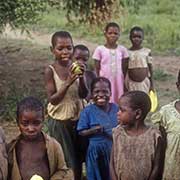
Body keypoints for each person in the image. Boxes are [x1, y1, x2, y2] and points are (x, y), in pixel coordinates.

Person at [44, 31, 88, 180]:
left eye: (69, 48)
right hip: (60, 121)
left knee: (78, 156)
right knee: (65, 159)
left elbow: (83, 94)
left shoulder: (76, 66)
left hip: (78, 119)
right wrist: (68, 82)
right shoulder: (50, 71)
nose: (65, 52)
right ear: (52, 50)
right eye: (60, 48)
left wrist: (81, 79)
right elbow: (53, 100)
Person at [7, 96, 73, 180]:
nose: (31, 129)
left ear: (43, 121)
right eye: (25, 123)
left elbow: (62, 170)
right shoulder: (12, 148)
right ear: (17, 122)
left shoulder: (53, 145)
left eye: (36, 123)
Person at [110, 91, 163, 180]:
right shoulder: (117, 133)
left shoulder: (154, 136)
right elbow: (112, 163)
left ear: (137, 114)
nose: (118, 113)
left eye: (122, 110)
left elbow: (156, 167)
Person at [77, 77, 119, 180]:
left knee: (113, 174)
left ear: (111, 93)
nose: (101, 95)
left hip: (114, 150)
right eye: (96, 92)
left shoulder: (116, 109)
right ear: (91, 94)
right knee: (96, 175)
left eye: (105, 91)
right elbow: (81, 132)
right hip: (95, 152)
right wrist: (95, 130)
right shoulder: (87, 111)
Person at [151, 70, 180, 180]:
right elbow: (161, 145)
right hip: (171, 169)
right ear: (178, 86)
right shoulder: (166, 112)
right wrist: (158, 169)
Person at [92, 22, 129, 104]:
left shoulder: (122, 50)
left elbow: (125, 68)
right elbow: (96, 68)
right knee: (106, 97)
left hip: (118, 81)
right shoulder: (100, 49)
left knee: (118, 98)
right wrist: (97, 81)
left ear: (119, 35)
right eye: (110, 33)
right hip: (104, 80)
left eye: (115, 33)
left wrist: (125, 82)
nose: (113, 35)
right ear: (105, 34)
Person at [125, 26, 154, 93]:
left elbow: (150, 68)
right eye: (134, 37)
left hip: (144, 83)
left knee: (144, 100)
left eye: (139, 37)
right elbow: (125, 69)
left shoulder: (147, 52)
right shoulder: (127, 52)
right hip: (131, 83)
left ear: (143, 38)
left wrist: (152, 84)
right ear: (130, 38)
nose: (136, 39)